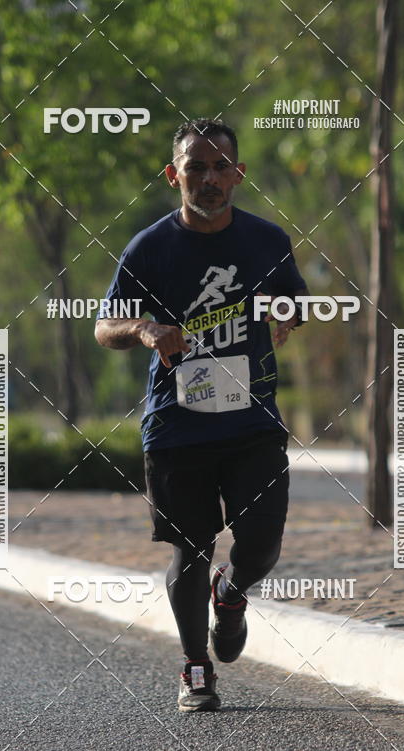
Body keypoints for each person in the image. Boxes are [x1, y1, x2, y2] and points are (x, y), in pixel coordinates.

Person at [95, 117, 308, 712]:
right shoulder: (150, 248)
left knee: (262, 544)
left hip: (253, 423)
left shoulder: (267, 241)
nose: (209, 179)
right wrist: (143, 329)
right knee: (190, 546)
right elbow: (103, 326)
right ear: (174, 175)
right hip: (177, 426)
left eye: (221, 167)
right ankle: (195, 667)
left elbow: (294, 298)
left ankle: (233, 592)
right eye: (196, 168)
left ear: (238, 174)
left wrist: (289, 312)